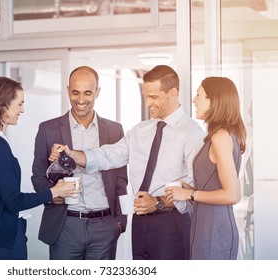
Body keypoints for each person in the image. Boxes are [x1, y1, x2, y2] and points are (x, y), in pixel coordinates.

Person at [50, 65, 205, 260]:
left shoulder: (192, 133)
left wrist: (158, 203)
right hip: (140, 222)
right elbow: (108, 155)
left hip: (172, 222)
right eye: (145, 96)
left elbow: (196, 188)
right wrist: (72, 154)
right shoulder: (141, 130)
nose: (148, 103)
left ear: (173, 93)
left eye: (154, 97)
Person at [0, 76, 78, 260]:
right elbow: (14, 202)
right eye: (19, 104)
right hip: (2, 241)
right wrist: (55, 192)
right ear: (3, 105)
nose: (22, 110)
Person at [31, 66, 128, 260]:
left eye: (87, 93)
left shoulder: (115, 130)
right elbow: (38, 175)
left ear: (97, 92)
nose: (81, 100)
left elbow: (121, 181)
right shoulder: (48, 129)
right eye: (75, 92)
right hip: (65, 224)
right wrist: (52, 196)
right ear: (68, 90)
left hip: (104, 226)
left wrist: (119, 222)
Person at [165, 77, 246, 259]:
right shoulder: (217, 136)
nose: (194, 99)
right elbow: (214, 185)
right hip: (205, 226)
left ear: (214, 101)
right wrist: (190, 189)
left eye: (199, 94)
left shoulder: (221, 138)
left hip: (214, 229)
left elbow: (232, 195)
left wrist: (189, 195)